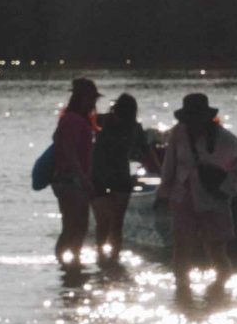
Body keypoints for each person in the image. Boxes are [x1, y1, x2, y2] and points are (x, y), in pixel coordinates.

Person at [158, 92, 237, 289]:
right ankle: (182, 292)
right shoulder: (178, 133)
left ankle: (219, 291)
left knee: (216, 249)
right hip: (182, 197)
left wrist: (228, 189)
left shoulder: (224, 138)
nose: (192, 122)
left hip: (214, 199)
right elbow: (169, 165)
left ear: (205, 117)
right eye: (189, 117)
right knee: (182, 248)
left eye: (195, 117)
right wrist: (163, 194)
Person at [90, 93, 158, 259]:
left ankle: (105, 256)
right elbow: (146, 153)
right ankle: (110, 256)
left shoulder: (108, 121)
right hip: (114, 176)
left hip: (102, 175)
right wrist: (160, 171)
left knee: (105, 222)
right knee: (114, 223)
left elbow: (146, 151)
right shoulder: (117, 123)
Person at [50, 77, 101, 264]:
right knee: (74, 227)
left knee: (76, 226)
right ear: (82, 98)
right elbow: (70, 152)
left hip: (69, 179)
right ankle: (67, 265)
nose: (94, 102)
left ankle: (71, 265)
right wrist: (83, 178)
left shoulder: (74, 119)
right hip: (70, 180)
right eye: (92, 98)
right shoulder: (73, 120)